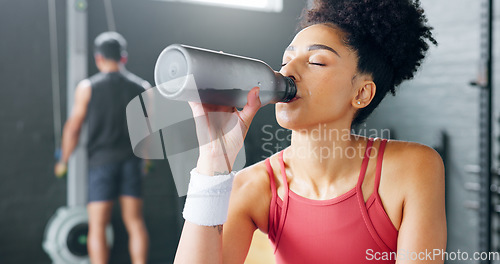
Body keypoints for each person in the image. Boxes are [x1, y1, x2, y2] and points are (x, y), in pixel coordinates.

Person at [175, 0, 446, 263]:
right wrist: (212, 162)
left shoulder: (414, 168)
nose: (287, 71)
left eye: (316, 61)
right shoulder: (253, 187)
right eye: (286, 60)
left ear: (362, 92)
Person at [54, 32, 150, 264]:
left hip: (101, 163)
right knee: (135, 222)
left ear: (98, 58)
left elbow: (73, 128)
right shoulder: (142, 87)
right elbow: (147, 131)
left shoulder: (87, 87)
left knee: (97, 225)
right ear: (123, 58)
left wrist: (63, 161)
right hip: (131, 161)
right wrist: (145, 162)